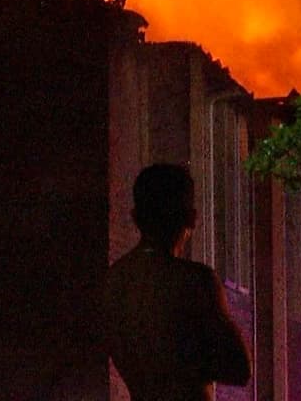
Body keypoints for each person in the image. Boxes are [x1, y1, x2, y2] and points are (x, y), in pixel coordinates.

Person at [101, 164, 251, 401]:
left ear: (136, 217)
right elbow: (239, 368)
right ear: (191, 218)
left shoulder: (114, 282)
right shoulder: (195, 280)